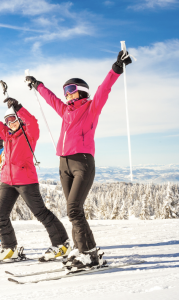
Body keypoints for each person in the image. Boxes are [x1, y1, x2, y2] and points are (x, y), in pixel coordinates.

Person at [25, 50, 133, 269]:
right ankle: (88, 251)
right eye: (65, 91)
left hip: (82, 162)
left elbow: (104, 90)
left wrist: (115, 69)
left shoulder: (91, 108)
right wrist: (38, 84)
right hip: (63, 163)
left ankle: (86, 253)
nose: (67, 94)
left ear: (81, 91)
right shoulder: (65, 111)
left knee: (74, 208)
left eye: (71, 90)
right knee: (74, 210)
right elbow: (50, 99)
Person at [0, 94, 70, 263]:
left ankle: (61, 244)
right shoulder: (6, 134)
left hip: (26, 180)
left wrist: (18, 108)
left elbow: (33, 122)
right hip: (7, 181)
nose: (10, 123)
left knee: (40, 213)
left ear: (19, 119)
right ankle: (10, 248)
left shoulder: (29, 133)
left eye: (13, 119)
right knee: (0, 214)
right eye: (7, 121)